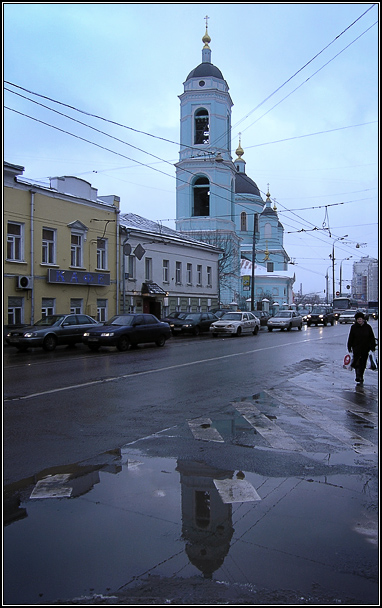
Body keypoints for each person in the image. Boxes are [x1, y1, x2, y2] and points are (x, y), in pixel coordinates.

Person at [347, 311, 376, 385]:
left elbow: (371, 337)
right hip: (356, 348)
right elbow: (351, 337)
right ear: (356, 320)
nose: (359, 321)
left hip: (365, 348)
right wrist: (349, 346)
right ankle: (357, 375)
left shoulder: (368, 327)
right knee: (356, 362)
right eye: (358, 319)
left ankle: (361, 375)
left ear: (363, 319)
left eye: (360, 319)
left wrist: (373, 346)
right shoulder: (353, 327)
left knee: (363, 363)